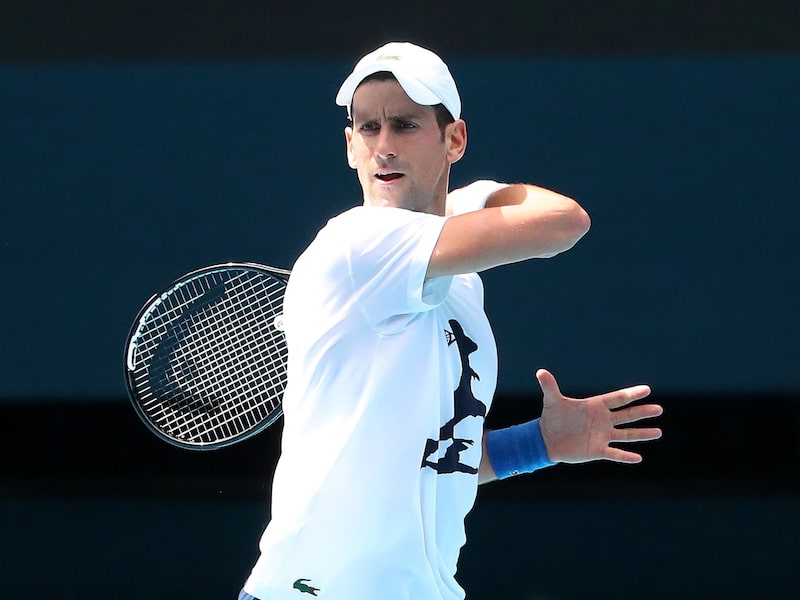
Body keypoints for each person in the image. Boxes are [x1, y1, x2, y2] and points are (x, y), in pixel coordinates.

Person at [239, 41, 662, 600]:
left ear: (454, 138)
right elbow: (564, 221)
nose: (383, 146)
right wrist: (472, 196)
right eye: (368, 129)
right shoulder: (358, 243)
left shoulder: (459, 286)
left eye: (407, 125)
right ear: (349, 146)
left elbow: (437, 462)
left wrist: (540, 444)